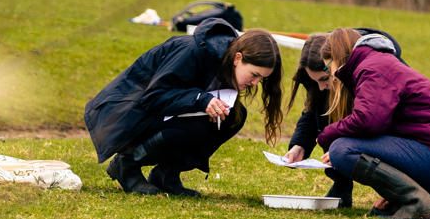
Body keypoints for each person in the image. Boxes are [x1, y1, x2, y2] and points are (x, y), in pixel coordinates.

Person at [85, 18, 283, 197]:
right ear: (238, 58)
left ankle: (166, 175)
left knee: (232, 117)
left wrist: (205, 103)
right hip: (123, 115)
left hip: (156, 114)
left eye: (261, 79)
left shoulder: (224, 61)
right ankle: (127, 164)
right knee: (199, 123)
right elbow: (154, 96)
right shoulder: (192, 51)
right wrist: (201, 100)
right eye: (254, 75)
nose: (256, 83)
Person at [313, 27, 430, 219]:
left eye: (328, 68)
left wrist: (327, 134)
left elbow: (368, 121)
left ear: (336, 57)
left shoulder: (372, 68)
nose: (333, 75)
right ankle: (402, 201)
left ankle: (417, 203)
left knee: (342, 150)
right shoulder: (378, 63)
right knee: (343, 147)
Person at [283, 28, 403, 206]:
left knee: (338, 135)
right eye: (316, 82)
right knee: (327, 118)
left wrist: (347, 147)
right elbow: (313, 111)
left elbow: (379, 120)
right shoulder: (323, 82)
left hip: (405, 139)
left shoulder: (375, 69)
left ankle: (399, 191)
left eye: (325, 79)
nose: (322, 87)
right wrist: (299, 145)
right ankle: (341, 185)